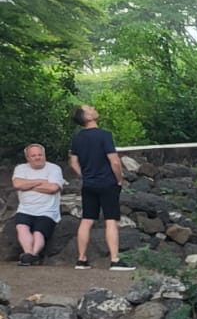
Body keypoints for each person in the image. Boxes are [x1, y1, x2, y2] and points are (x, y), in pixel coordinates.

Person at [68, 105, 133, 271]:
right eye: (89, 108)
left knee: (87, 219)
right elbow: (115, 161)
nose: (93, 108)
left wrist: (85, 176)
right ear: (87, 117)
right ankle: (115, 260)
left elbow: (73, 162)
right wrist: (119, 179)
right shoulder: (104, 135)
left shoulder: (77, 138)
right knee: (111, 220)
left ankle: (81, 259)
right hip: (107, 182)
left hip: (88, 184)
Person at [12, 144, 66, 266]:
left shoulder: (54, 168)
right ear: (27, 158)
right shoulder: (20, 168)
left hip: (47, 210)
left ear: (44, 155)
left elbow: (53, 188)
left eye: (40, 155)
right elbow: (17, 184)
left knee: (38, 232)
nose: (37, 158)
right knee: (21, 227)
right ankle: (29, 253)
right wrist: (40, 181)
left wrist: (28, 186)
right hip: (25, 209)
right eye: (33, 155)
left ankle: (33, 254)